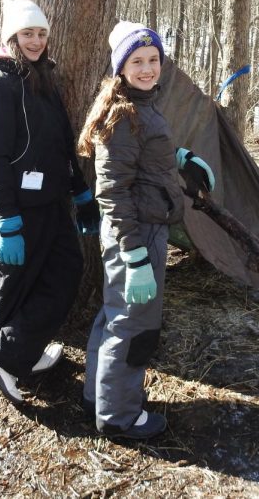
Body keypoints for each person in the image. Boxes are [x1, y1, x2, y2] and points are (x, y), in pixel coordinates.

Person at [76, 22, 216, 439]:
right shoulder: (122, 115)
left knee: (115, 318)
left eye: (153, 59)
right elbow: (112, 193)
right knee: (134, 328)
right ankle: (118, 417)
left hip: (141, 232)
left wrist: (179, 156)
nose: (147, 68)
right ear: (121, 67)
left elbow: (142, 154)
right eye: (137, 61)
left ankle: (98, 396)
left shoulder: (141, 104)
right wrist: (135, 257)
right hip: (134, 237)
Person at [0, 0, 100, 405]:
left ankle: (17, 352)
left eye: (41, 33)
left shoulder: (44, 79)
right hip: (21, 210)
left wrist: (80, 193)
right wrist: (7, 220)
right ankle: (5, 358)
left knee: (64, 274)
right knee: (12, 285)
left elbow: (62, 144)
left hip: (52, 202)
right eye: (27, 33)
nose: (35, 41)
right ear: (11, 36)